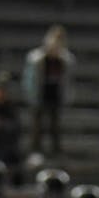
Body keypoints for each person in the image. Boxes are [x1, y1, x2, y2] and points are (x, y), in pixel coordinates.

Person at [22, 25, 76, 156]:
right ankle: (35, 150)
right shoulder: (37, 60)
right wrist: (31, 95)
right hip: (40, 93)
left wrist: (67, 95)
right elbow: (30, 79)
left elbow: (68, 79)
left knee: (55, 124)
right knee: (37, 124)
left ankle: (55, 151)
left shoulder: (65, 60)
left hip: (55, 94)